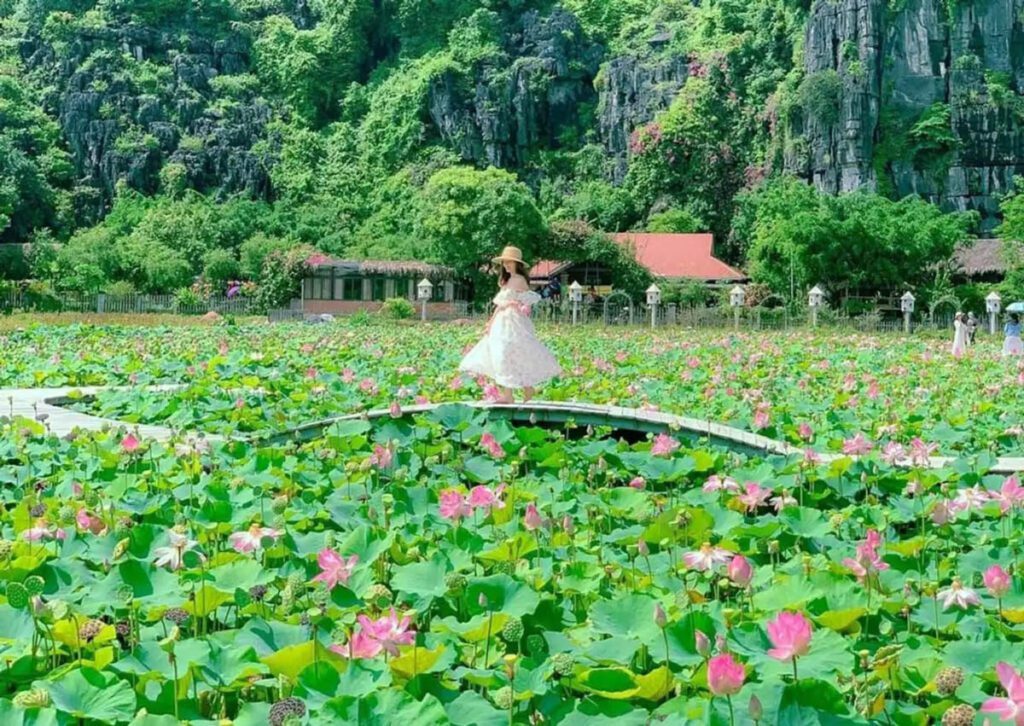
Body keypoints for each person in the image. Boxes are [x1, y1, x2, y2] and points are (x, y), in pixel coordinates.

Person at [459, 246, 561, 403]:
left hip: (514, 321)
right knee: (501, 353)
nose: (506, 265)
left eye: (509, 262)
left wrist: (515, 304)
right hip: (502, 319)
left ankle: (525, 389)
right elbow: (500, 305)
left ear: (516, 263)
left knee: (514, 351)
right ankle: (510, 394)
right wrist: (490, 322)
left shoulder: (519, 279)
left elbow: (527, 301)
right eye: (504, 262)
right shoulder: (505, 281)